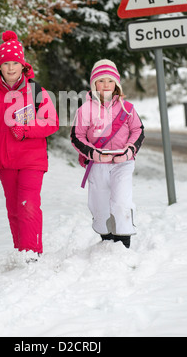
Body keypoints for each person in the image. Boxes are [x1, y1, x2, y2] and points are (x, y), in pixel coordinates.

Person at [0, 30, 59, 261]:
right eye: (6, 64)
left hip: (32, 161)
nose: (11, 68)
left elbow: (52, 122)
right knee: (14, 210)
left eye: (15, 63)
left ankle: (32, 255)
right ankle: (21, 252)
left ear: (23, 65)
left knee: (28, 205)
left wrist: (27, 130)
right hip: (5, 163)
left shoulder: (36, 91)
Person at [70, 60, 144, 248]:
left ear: (116, 85)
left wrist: (129, 151)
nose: (105, 85)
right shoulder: (84, 110)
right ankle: (107, 239)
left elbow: (138, 131)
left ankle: (123, 241)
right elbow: (77, 136)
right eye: (100, 81)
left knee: (121, 200)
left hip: (123, 162)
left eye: (110, 81)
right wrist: (94, 154)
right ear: (94, 84)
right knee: (100, 203)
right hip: (98, 163)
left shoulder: (127, 108)